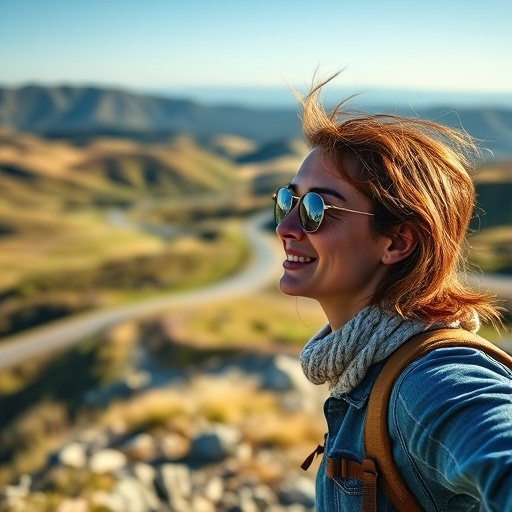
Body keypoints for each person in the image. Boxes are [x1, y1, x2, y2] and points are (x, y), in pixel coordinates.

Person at [272, 73, 512, 511]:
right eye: (289, 200)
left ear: (397, 242)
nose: (285, 228)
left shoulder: (429, 382)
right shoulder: (372, 366)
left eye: (316, 209)